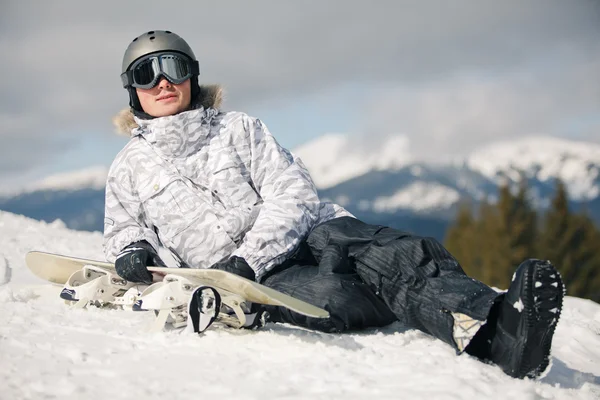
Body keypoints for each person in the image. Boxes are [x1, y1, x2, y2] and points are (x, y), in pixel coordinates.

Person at [105, 30, 564, 379]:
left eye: (175, 67)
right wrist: (131, 251)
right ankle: (442, 313)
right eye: (148, 73)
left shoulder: (239, 129)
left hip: (305, 234)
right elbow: (121, 227)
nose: (164, 81)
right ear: (133, 89)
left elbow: (293, 191)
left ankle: (502, 326)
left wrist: (249, 256)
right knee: (335, 299)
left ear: (193, 74)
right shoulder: (128, 167)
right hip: (256, 281)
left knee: (400, 255)